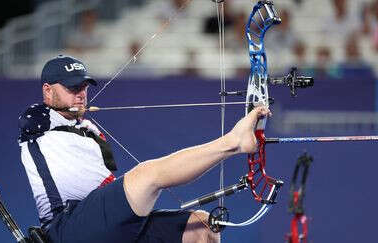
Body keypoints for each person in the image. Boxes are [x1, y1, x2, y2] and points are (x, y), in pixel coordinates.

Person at [18, 55, 271, 243]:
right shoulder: (37, 123)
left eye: (83, 87)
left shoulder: (86, 131)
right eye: (72, 88)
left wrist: (80, 121)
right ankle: (234, 141)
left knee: (203, 228)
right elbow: (34, 117)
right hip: (67, 229)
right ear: (48, 91)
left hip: (106, 225)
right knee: (146, 175)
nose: (81, 94)